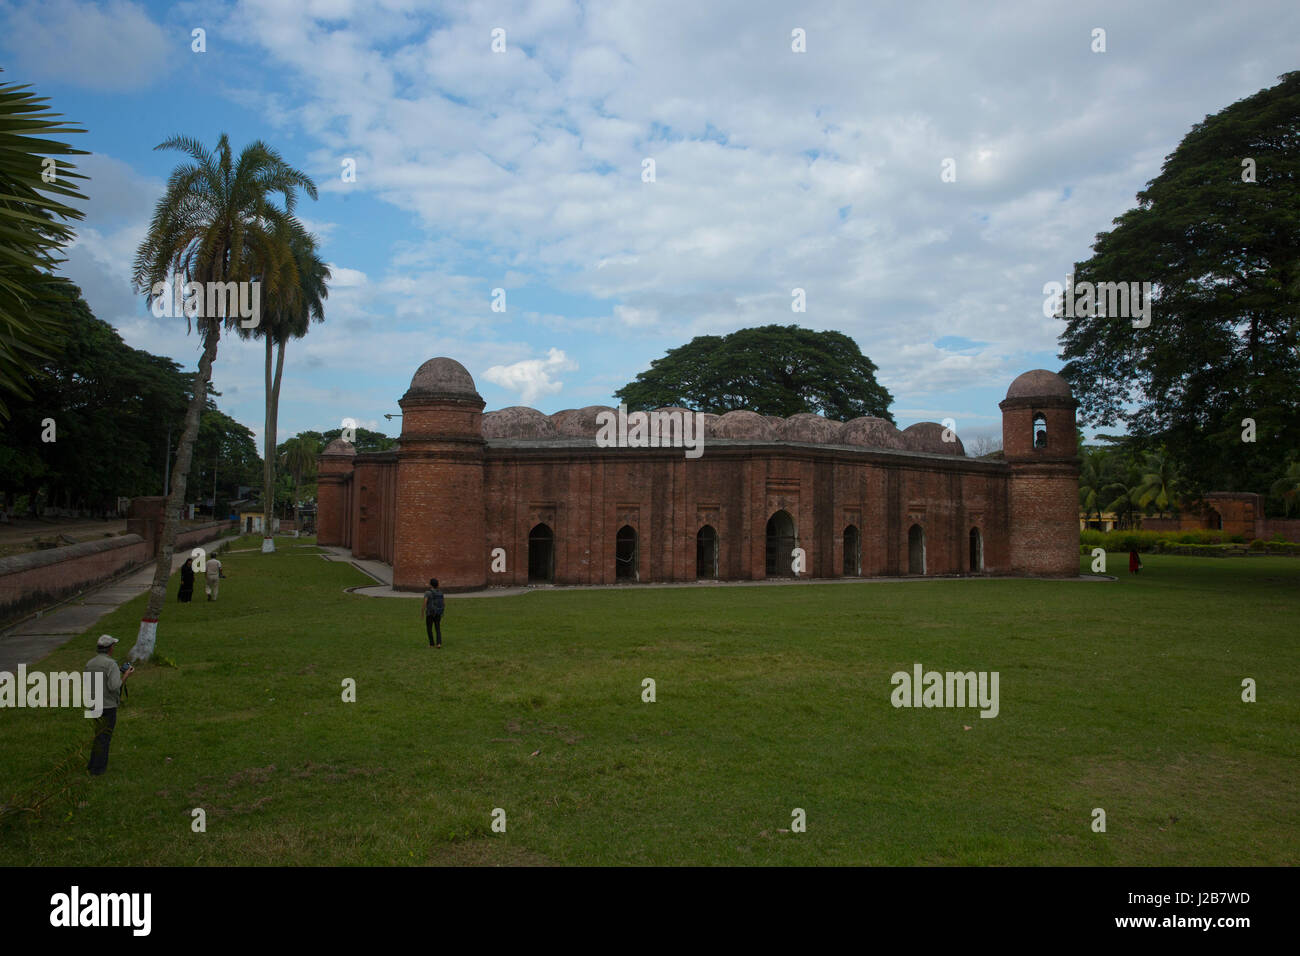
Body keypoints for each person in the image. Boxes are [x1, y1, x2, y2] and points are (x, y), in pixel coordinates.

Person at [85, 635, 132, 775]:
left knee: (98, 735)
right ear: (110, 648)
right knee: (105, 738)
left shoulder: (90, 663)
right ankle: (98, 770)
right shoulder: (111, 664)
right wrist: (125, 675)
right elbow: (114, 686)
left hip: (93, 704)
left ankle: (92, 765)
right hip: (108, 705)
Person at [421, 577, 445, 648]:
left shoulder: (427, 593)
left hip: (430, 613)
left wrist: (422, 612)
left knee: (429, 628)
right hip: (438, 612)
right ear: (437, 585)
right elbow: (444, 603)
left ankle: (431, 644)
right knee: (437, 628)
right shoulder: (441, 592)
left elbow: (425, 603)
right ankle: (439, 643)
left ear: (430, 585)